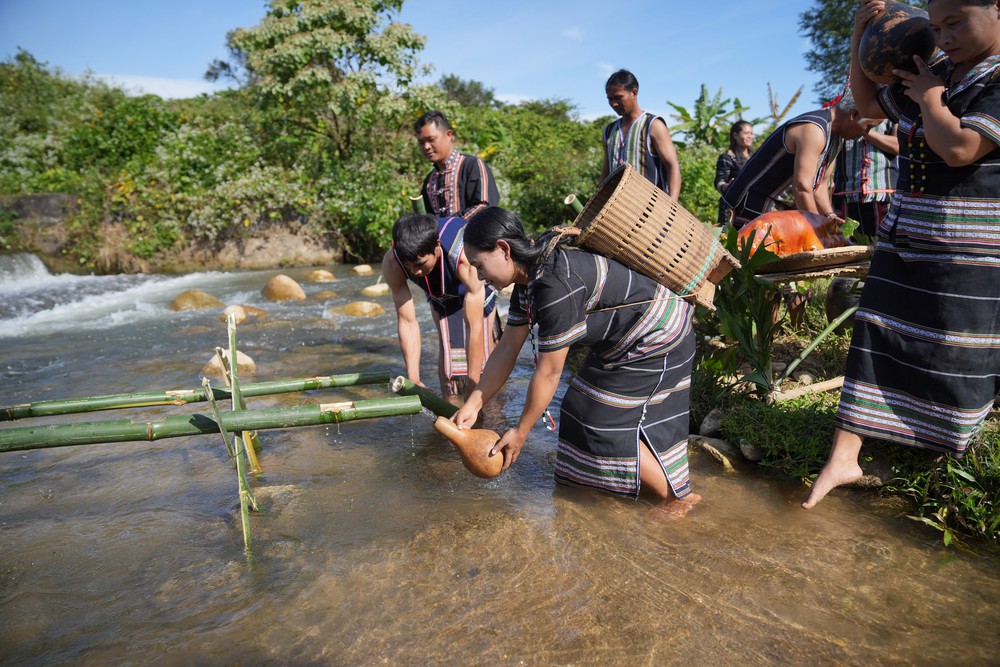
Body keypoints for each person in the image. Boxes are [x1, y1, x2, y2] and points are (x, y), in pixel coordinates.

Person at [803, 0, 1000, 509]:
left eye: (955, 22)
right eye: (936, 26)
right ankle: (844, 456)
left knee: (952, 343)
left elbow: (960, 148)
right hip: (906, 230)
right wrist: (858, 38)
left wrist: (931, 98)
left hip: (967, 243)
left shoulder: (986, 80)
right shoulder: (939, 72)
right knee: (877, 329)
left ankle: (940, 447)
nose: (944, 36)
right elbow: (869, 107)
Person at [453, 207, 701, 517]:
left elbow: (549, 373)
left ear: (503, 249)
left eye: (479, 265)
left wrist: (520, 431)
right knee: (577, 410)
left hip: (658, 335)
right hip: (622, 341)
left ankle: (677, 498)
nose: (479, 276)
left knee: (601, 422)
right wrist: (474, 403)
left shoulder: (554, 284)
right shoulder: (528, 281)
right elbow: (507, 349)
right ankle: (596, 491)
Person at [382, 214, 501, 398]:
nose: (414, 272)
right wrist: (414, 379)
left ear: (437, 247)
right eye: (409, 266)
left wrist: (472, 382)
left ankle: (493, 407)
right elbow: (407, 322)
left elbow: (473, 326)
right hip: (440, 292)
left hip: (476, 285)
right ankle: (450, 402)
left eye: (420, 264)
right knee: (450, 370)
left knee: (483, 370)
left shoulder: (464, 257)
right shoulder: (393, 262)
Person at [721, 92, 880, 229]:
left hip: (773, 211)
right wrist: (819, 228)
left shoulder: (837, 137)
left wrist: (829, 216)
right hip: (750, 207)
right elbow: (802, 188)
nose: (866, 133)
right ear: (854, 115)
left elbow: (820, 185)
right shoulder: (814, 129)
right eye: (868, 127)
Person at [600, 69, 682, 199]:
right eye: (610, 99)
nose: (614, 104)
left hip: (651, 206)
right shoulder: (609, 131)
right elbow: (606, 171)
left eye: (618, 97)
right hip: (618, 207)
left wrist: (672, 206)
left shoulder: (653, 126)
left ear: (634, 93)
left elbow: (672, 167)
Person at [415, 111, 500, 220]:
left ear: (448, 135)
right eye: (421, 142)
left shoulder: (472, 166)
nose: (426, 146)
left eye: (431, 140)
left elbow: (485, 207)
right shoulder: (429, 181)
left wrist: (449, 225)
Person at [832, 120, 899, 238]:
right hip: (845, 195)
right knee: (846, 242)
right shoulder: (841, 114)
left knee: (884, 242)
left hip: (882, 194)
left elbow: (898, 146)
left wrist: (865, 131)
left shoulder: (891, 115)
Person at [715, 120, 755, 225]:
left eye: (751, 133)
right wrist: (727, 186)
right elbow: (719, 182)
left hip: (751, 207)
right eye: (746, 133)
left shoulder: (755, 157)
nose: (750, 136)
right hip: (731, 209)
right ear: (735, 135)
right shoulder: (727, 157)